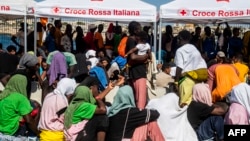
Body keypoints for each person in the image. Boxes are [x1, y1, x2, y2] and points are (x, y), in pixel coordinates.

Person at [174, 30, 207, 107]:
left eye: (178, 38)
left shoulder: (180, 50)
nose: (177, 40)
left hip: (187, 81)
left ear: (181, 38)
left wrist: (176, 81)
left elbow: (179, 67)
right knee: (195, 104)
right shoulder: (193, 48)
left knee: (184, 105)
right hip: (198, 80)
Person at [0, 74, 39, 140]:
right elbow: (29, 121)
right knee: (36, 109)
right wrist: (38, 133)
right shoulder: (20, 98)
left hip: (1, 130)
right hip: (13, 132)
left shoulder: (3, 95)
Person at [125, 21, 149, 109]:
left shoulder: (135, 41)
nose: (141, 30)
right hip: (138, 72)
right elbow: (133, 57)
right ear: (135, 30)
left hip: (135, 71)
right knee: (141, 100)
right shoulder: (132, 40)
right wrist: (146, 56)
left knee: (136, 98)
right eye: (140, 28)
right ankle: (141, 116)